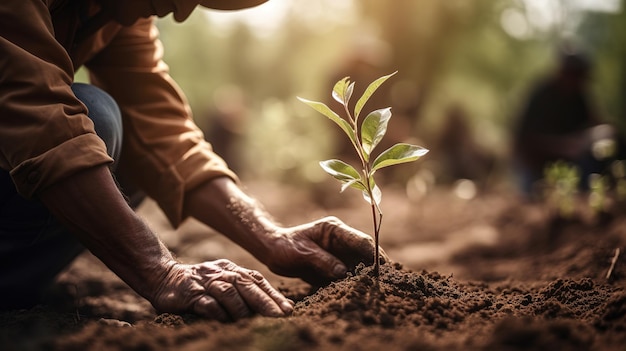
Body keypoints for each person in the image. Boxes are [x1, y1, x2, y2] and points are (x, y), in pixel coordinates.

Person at [0, 0, 381, 321]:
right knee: (96, 117)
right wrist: (160, 271)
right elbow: (36, 112)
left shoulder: (119, 12)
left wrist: (271, 237)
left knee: (129, 131)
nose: (179, 13)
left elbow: (158, 128)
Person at [512, 49, 608, 196]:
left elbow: (595, 122)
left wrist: (605, 132)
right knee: (532, 197)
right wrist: (566, 145)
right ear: (563, 72)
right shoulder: (542, 96)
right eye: (574, 75)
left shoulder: (579, 97)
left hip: (564, 164)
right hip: (533, 163)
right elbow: (527, 139)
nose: (578, 82)